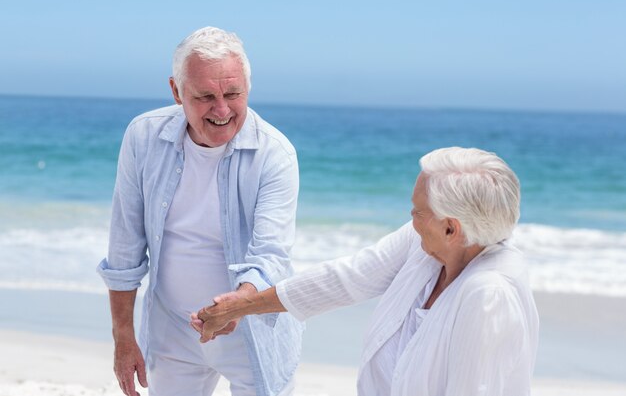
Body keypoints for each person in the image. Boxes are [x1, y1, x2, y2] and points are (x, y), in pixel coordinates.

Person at [192, 147, 540, 396]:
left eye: (418, 211)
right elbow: (346, 278)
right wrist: (238, 306)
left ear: (452, 229)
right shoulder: (428, 247)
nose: (411, 218)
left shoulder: (488, 295)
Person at [97, 26, 303, 396]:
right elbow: (124, 247)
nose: (222, 109)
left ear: (248, 89)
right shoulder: (143, 136)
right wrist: (123, 337)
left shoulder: (276, 154)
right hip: (171, 331)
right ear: (176, 91)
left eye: (233, 94)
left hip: (251, 328)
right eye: (206, 96)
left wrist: (236, 304)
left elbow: (270, 254)